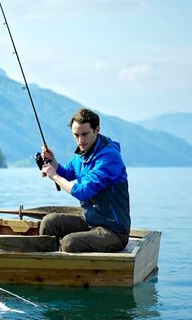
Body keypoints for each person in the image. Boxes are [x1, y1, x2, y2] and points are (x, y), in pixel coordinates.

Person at [39, 108, 131, 253]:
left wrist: (54, 176)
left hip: (114, 231)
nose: (81, 140)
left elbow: (82, 192)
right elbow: (67, 174)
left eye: (85, 134)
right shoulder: (82, 155)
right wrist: (53, 162)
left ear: (97, 129)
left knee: (70, 243)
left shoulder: (109, 157)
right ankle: (42, 266)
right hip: (89, 221)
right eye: (76, 135)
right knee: (49, 221)